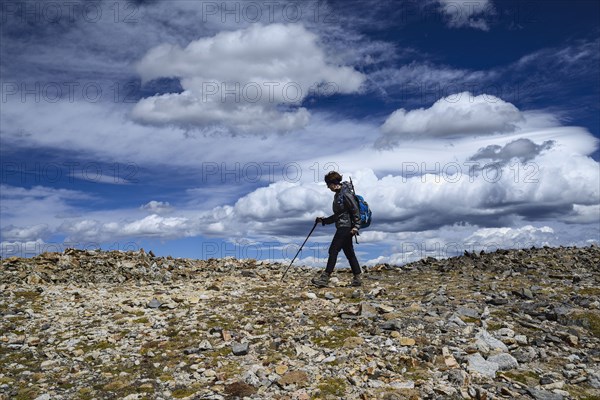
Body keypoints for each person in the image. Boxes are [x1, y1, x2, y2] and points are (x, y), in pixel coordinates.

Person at [312, 171, 362, 287]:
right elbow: (338, 215)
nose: (328, 187)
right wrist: (323, 221)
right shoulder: (338, 195)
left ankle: (325, 278)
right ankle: (357, 278)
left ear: (333, 183)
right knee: (349, 253)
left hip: (346, 227)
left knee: (333, 250)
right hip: (343, 226)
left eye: (328, 184)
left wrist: (356, 226)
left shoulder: (345, 194)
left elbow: (355, 210)